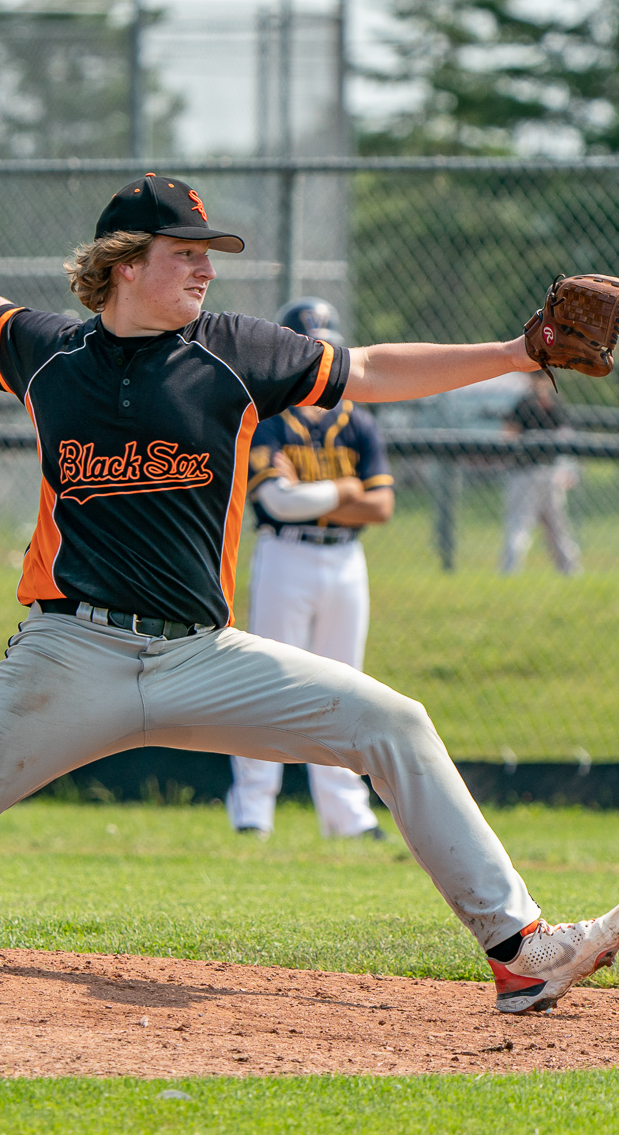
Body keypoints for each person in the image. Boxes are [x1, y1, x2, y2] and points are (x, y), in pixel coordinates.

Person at [0, 173, 619, 1015]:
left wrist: (520, 352)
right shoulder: (48, 353)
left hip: (202, 655)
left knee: (392, 721)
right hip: (69, 654)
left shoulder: (235, 352)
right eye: (184, 251)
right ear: (123, 263)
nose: (205, 267)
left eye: (209, 253)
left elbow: (371, 369)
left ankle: (519, 951)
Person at [227, 297, 396, 841]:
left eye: (325, 347)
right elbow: (277, 504)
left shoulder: (358, 422)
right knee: (269, 682)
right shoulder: (268, 420)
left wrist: (315, 495)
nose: (317, 358)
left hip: (345, 559)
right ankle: (253, 809)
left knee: (345, 685)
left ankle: (346, 815)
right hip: (286, 555)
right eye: (306, 348)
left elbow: (381, 507)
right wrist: (345, 490)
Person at [502, 372, 582, 576]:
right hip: (540, 472)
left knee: (532, 526)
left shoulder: (536, 404)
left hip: (535, 473)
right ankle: (569, 572)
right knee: (547, 528)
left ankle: (510, 572)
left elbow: (508, 435)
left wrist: (566, 470)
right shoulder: (540, 403)